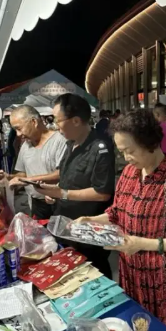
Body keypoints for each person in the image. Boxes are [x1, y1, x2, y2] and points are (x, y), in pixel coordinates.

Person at [76, 109, 166, 331]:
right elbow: (117, 212)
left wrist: (141, 244)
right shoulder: (129, 173)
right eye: (122, 152)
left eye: (130, 151)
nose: (126, 158)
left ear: (149, 143)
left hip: (159, 276)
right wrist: (91, 220)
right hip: (129, 270)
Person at [33, 94, 115, 278]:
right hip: (65, 224)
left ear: (76, 121)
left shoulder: (100, 148)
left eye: (57, 120)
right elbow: (66, 176)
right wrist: (53, 192)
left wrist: (62, 193)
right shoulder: (71, 144)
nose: (55, 126)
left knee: (95, 276)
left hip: (87, 231)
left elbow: (102, 193)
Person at [7, 105, 67, 220]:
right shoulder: (26, 145)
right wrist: (10, 178)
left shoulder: (60, 141)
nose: (18, 134)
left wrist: (29, 180)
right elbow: (23, 173)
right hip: (36, 204)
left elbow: (61, 174)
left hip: (57, 201)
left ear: (34, 122)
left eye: (19, 128)